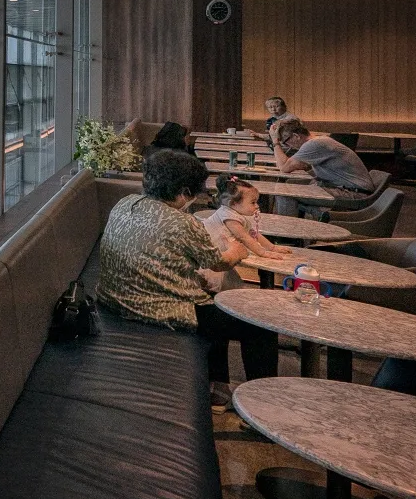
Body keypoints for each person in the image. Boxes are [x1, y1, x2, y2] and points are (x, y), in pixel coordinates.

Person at [97, 148, 281, 399]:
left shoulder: (125, 203)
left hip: (114, 299)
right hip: (159, 311)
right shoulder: (183, 222)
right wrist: (238, 250)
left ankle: (218, 389)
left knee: (216, 303)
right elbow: (219, 263)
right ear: (184, 193)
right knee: (261, 325)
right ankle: (263, 405)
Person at [271, 116, 374, 199]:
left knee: (284, 192)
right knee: (290, 187)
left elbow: (284, 167)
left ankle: (290, 224)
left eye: (285, 142)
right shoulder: (318, 140)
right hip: (347, 189)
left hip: (354, 193)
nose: (287, 146)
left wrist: (275, 142)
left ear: (296, 136)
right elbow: (298, 166)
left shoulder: (314, 144)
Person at [199, 175, 292, 263]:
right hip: (210, 257)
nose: (257, 206)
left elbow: (253, 234)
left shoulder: (234, 213)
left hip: (221, 254)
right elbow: (244, 237)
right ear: (233, 203)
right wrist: (262, 252)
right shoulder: (228, 216)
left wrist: (272, 247)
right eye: (253, 202)